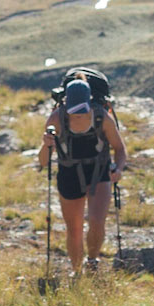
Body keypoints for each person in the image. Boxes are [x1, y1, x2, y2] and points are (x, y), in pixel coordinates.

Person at [36, 75, 127, 275]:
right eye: (73, 110)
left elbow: (120, 149)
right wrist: (46, 145)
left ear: (89, 103)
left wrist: (118, 169)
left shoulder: (102, 117)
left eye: (82, 110)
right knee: (74, 228)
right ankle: (76, 271)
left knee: (97, 221)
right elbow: (43, 162)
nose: (77, 115)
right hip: (69, 175)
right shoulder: (56, 119)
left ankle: (92, 261)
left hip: (99, 171)